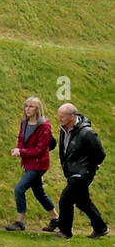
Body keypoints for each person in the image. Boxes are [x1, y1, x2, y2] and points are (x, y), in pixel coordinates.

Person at [54, 102, 108, 238]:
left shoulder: (87, 133)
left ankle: (65, 231)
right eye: (59, 116)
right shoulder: (63, 129)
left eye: (63, 116)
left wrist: (93, 165)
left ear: (72, 116)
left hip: (83, 172)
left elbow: (100, 153)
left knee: (65, 199)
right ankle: (100, 227)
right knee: (82, 201)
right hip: (71, 171)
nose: (60, 119)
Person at [6, 96, 59, 231]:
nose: (27, 109)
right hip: (28, 163)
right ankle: (56, 219)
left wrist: (21, 152)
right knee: (39, 192)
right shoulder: (24, 123)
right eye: (26, 106)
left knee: (19, 189)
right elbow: (21, 139)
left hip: (39, 164)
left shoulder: (45, 126)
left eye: (31, 106)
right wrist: (18, 149)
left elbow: (40, 150)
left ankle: (20, 222)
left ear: (38, 109)